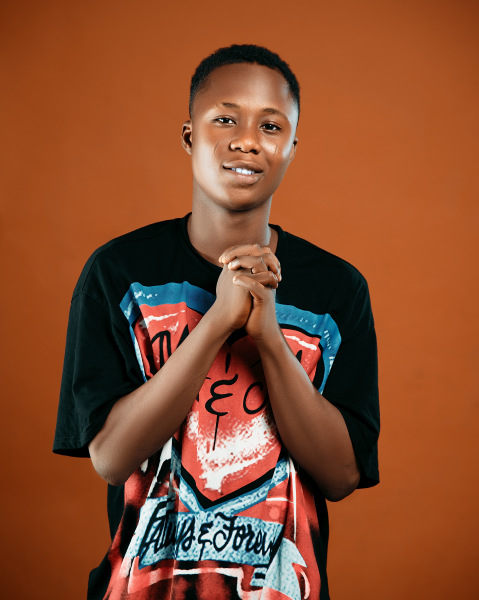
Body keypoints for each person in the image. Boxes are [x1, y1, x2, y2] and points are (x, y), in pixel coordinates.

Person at [54, 44, 380, 600]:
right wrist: (216, 322)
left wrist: (269, 337)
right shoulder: (118, 273)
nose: (247, 140)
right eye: (225, 119)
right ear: (189, 136)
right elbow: (111, 457)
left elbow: (341, 475)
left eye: (270, 126)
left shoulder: (337, 288)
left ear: (291, 148)